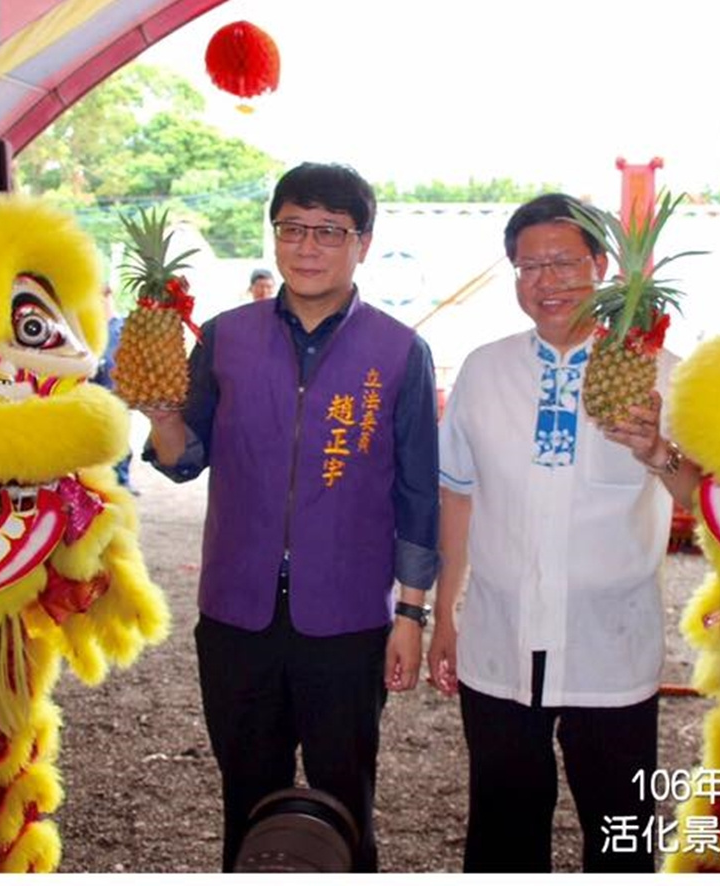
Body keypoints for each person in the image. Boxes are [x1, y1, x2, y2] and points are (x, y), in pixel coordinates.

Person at [142, 162, 440, 872]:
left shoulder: (399, 351)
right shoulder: (224, 336)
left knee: (345, 796)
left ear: (362, 242)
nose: (308, 247)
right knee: (245, 792)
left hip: (346, 621)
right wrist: (161, 416)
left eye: (330, 232)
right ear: (275, 236)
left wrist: (412, 615)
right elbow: (185, 460)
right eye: (293, 229)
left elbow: (418, 494)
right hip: (236, 614)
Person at [428, 193, 700, 872]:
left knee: (619, 830)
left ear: (603, 265)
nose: (545, 282)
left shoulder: (665, 373)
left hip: (610, 647)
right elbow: (457, 496)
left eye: (563, 263)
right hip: (499, 641)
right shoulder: (485, 371)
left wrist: (658, 452)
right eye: (527, 267)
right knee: (502, 827)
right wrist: (443, 615)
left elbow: (709, 499)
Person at [91, 286, 134, 491]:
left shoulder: (125, 328)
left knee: (120, 443)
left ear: (108, 296)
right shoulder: (87, 332)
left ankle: (122, 481)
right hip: (94, 400)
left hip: (118, 399)